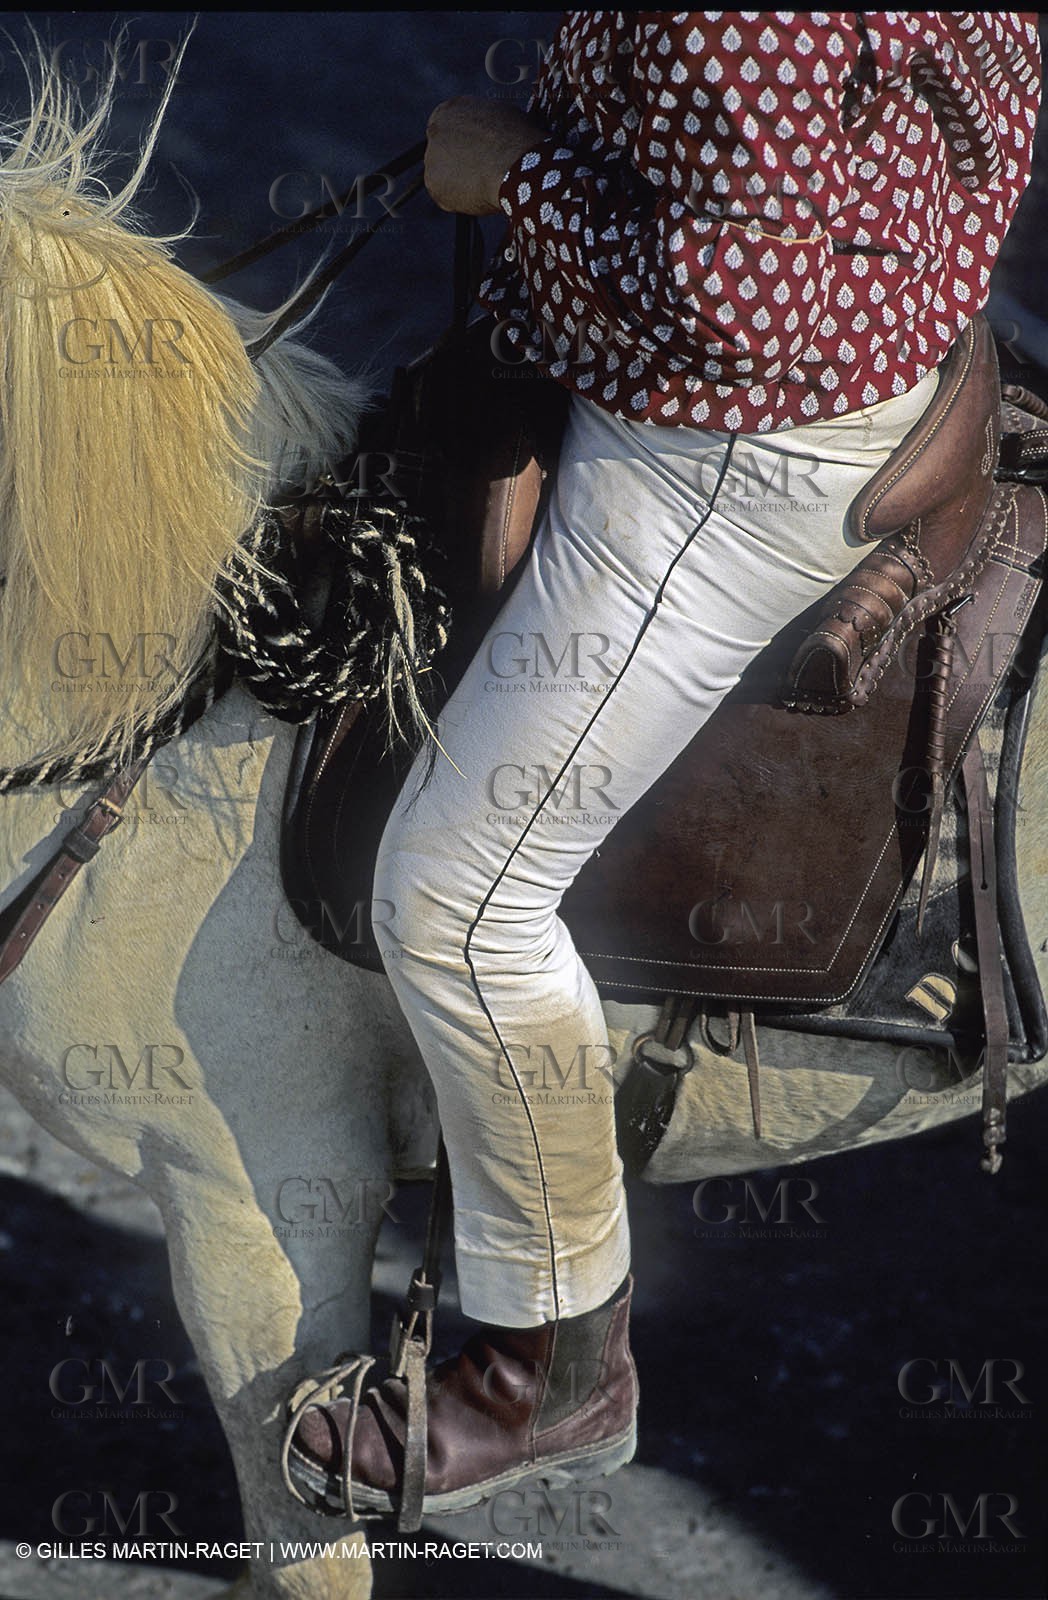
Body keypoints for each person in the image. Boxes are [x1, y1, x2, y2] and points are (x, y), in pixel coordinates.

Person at [288, 12, 1040, 1516]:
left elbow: (741, 301)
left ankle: (551, 1367)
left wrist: (516, 179)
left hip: (735, 444)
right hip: (883, 310)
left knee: (452, 898)